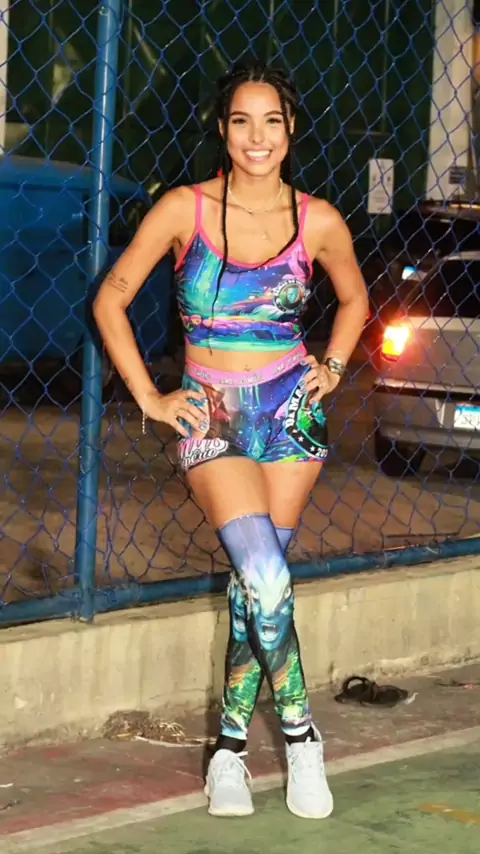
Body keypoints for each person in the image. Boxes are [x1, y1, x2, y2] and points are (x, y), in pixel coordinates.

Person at [93, 62, 369, 820]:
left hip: (291, 416)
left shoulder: (319, 220)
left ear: (291, 129)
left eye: (272, 121)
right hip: (211, 416)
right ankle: (303, 737)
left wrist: (334, 368)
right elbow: (110, 300)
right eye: (241, 121)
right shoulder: (182, 209)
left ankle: (229, 754)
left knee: (255, 592)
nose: (257, 137)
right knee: (267, 579)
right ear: (222, 129)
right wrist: (150, 397)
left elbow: (354, 299)